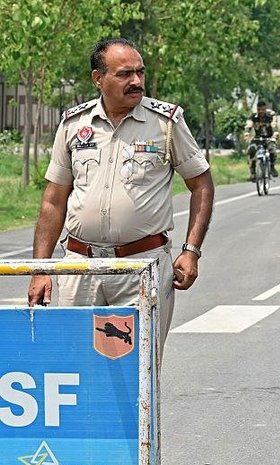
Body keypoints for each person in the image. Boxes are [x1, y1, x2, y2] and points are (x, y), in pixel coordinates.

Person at [27, 38, 215, 356]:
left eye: (140, 73)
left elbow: (202, 185)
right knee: (76, 366)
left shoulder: (166, 123)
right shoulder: (74, 124)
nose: (136, 82)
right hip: (79, 267)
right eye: (125, 74)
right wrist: (41, 268)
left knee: (138, 368)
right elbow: (53, 201)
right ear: (98, 78)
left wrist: (191, 251)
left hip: (141, 267)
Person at [244, 100, 280, 180]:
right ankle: (253, 173)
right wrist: (247, 134)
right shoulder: (253, 116)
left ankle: (272, 167)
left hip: (269, 138)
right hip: (257, 138)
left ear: (265, 109)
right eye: (259, 110)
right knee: (251, 151)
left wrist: (275, 134)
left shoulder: (271, 115)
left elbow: (274, 125)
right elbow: (249, 125)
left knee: (272, 151)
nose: (261, 111)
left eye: (263, 109)